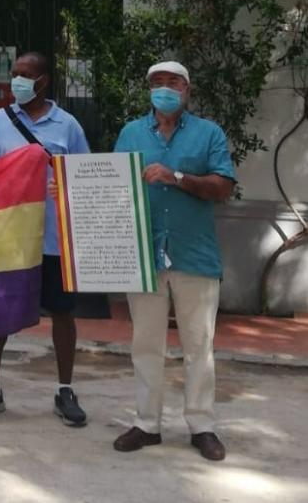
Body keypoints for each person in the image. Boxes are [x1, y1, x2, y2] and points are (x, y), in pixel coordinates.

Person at [0, 51, 91, 426]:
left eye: (25, 75)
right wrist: (24, 163)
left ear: (43, 81)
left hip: (52, 236)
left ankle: (65, 389)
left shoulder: (67, 125)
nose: (17, 81)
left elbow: (82, 175)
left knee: (63, 312)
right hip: (8, 237)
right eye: (14, 73)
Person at [112, 61, 235, 461]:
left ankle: (202, 426)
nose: (164, 89)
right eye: (157, 83)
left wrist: (177, 177)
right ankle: (147, 424)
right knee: (145, 344)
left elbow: (222, 187)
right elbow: (113, 184)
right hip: (144, 255)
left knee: (199, 345)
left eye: (173, 83)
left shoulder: (209, 133)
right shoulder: (131, 132)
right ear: (148, 89)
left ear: (187, 89)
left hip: (193, 254)